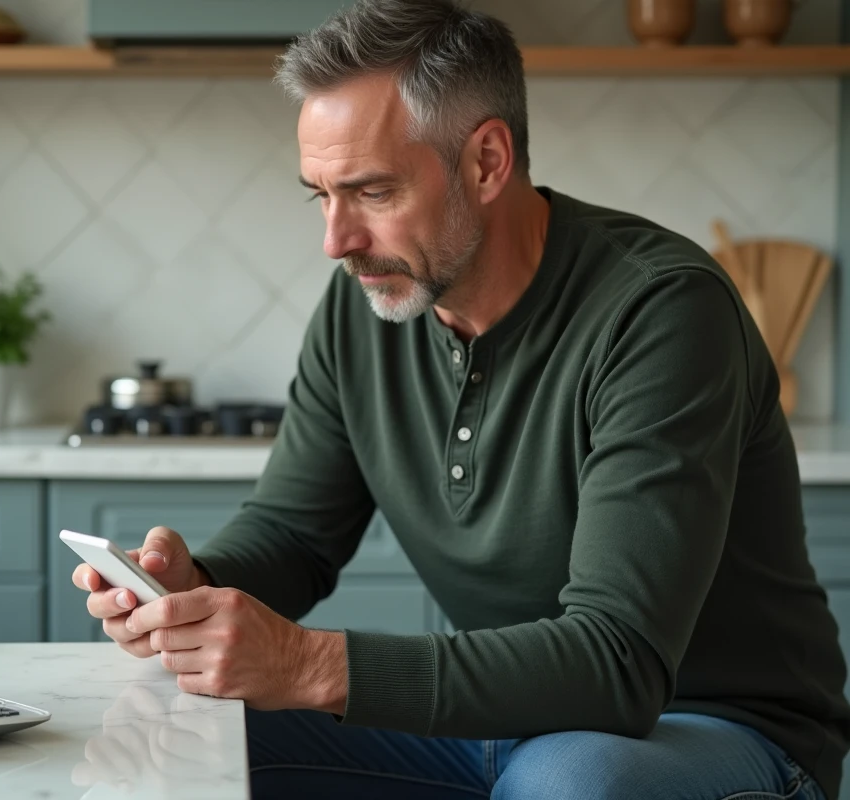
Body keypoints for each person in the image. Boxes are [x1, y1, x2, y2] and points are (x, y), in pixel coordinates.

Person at [72, 1, 850, 797]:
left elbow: (619, 661)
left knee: (571, 784)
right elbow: (296, 534)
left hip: (710, 729)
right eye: (321, 195)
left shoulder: (661, 313)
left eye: (372, 192)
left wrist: (305, 663)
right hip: (501, 721)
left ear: (485, 161)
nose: (336, 242)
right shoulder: (365, 307)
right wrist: (189, 588)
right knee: (165, 727)